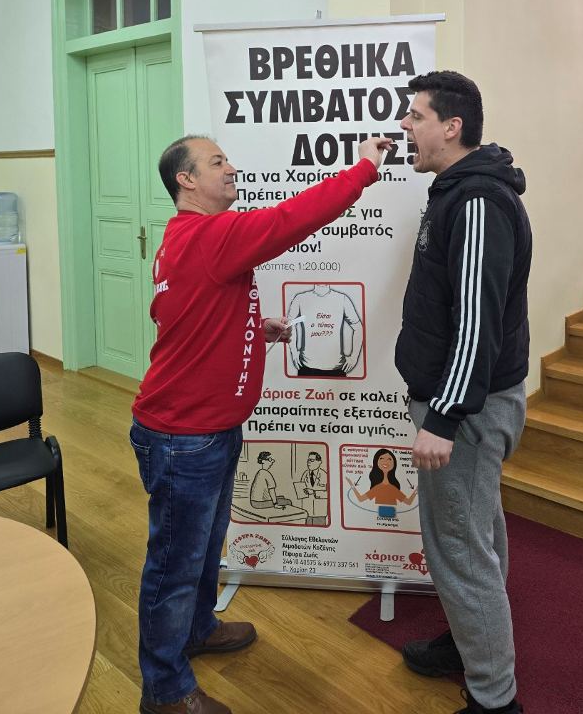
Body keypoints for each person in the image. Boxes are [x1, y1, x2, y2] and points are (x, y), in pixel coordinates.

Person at [130, 133, 391, 714]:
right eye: (217, 162)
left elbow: (178, 315)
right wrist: (362, 170)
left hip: (204, 431)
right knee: (174, 566)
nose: (231, 168)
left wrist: (251, 328)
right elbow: (290, 219)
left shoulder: (183, 239)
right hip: (184, 438)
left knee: (203, 548)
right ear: (186, 181)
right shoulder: (211, 235)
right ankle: (164, 691)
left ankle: (197, 630)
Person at [394, 71, 531, 714]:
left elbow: (478, 321)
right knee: (477, 533)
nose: (405, 126)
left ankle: (494, 699)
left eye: (416, 116)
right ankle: (469, 644)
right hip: (466, 402)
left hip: (466, 410)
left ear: (452, 127)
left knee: (460, 547)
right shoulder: (456, 191)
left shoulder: (476, 201)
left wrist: (444, 417)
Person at [347, 448, 417, 509]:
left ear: (394, 463)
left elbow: (408, 502)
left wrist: (417, 490)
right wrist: (352, 485)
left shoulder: (393, 488)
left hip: (394, 514)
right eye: (381, 458)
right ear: (376, 462)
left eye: (389, 459)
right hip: (377, 515)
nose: (385, 461)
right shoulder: (377, 488)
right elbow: (361, 498)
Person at [299, 451, 328, 525]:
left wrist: (314, 492)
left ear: (319, 462)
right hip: (307, 510)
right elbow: (301, 491)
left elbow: (330, 494)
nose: (308, 462)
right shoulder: (305, 474)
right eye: (308, 460)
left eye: (312, 460)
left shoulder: (324, 475)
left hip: (319, 512)